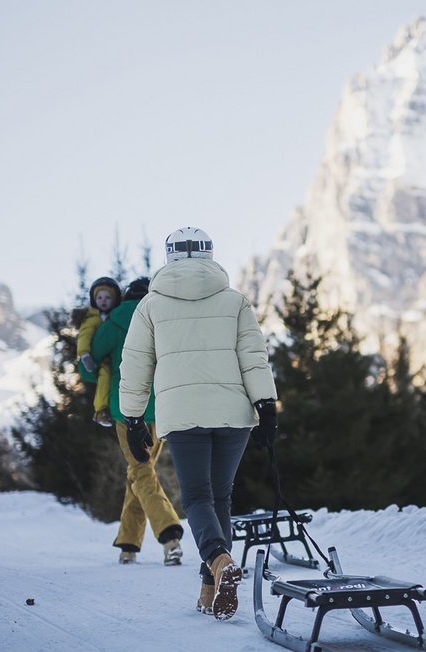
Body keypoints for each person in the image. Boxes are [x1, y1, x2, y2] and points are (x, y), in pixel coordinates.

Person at [119, 226, 278, 621]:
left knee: (196, 497)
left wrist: (134, 418)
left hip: (184, 415)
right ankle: (210, 589)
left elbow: (136, 365)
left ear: (169, 256)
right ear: (209, 254)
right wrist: (267, 404)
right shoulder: (235, 301)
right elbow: (254, 357)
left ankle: (219, 561)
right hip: (234, 414)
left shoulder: (150, 305)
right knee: (220, 495)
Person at [91, 276, 185, 565]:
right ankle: (129, 545)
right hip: (160, 408)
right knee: (140, 471)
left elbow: (91, 361)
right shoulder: (162, 316)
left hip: (126, 410)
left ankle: (169, 536)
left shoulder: (115, 320)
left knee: (141, 472)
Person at [77, 277, 122, 428]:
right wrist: (85, 355)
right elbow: (84, 336)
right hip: (102, 361)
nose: (103, 301)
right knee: (105, 376)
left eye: (108, 297)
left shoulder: (116, 317)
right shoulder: (92, 319)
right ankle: (101, 410)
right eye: (100, 297)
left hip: (116, 357)